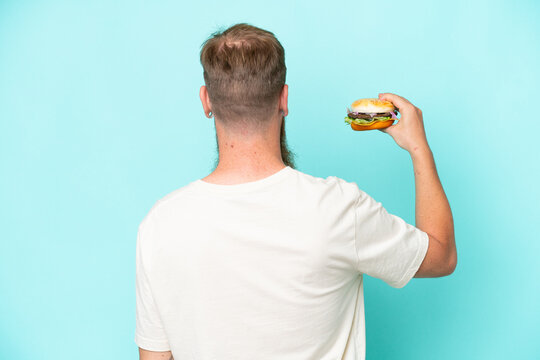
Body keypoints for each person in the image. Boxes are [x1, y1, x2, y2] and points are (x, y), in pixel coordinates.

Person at [135, 23, 456, 360]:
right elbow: (442, 255)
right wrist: (419, 148)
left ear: (206, 101)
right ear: (284, 99)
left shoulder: (159, 225)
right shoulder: (339, 210)